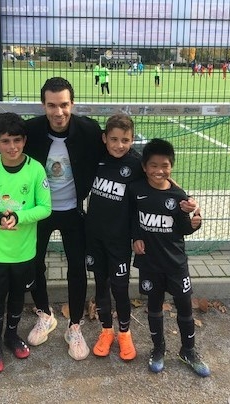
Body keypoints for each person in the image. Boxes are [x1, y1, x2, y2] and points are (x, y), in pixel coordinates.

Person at [0, 77, 104, 361]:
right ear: (43, 105)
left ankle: (75, 326)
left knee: (77, 267)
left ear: (72, 104)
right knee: (35, 265)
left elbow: (118, 154)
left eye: (64, 105)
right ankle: (45, 314)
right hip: (35, 213)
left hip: (72, 210)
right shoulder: (30, 130)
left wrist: (158, 177)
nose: (59, 112)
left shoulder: (89, 130)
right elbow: (0, 167)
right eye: (52, 105)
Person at [0, 112, 52, 373]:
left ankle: (11, 335)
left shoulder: (36, 169)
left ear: (25, 140)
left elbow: (45, 208)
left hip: (24, 251)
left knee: (18, 296)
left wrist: (19, 216)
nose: (12, 146)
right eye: (5, 141)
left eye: (17, 140)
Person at [130, 138, 210, 377]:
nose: (159, 171)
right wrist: (135, 238)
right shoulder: (136, 190)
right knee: (154, 306)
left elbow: (184, 228)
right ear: (144, 167)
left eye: (164, 166)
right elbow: (132, 218)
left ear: (171, 166)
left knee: (184, 306)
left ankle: (188, 350)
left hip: (176, 263)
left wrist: (195, 223)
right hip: (150, 263)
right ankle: (158, 349)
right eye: (153, 165)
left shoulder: (178, 195)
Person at [85, 114, 143, 361]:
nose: (119, 145)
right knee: (101, 285)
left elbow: (155, 187)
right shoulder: (96, 158)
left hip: (119, 241)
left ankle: (125, 333)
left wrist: (185, 198)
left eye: (125, 140)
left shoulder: (137, 164)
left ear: (132, 139)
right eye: (114, 139)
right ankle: (106, 331)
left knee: (120, 289)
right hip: (95, 237)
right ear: (104, 139)